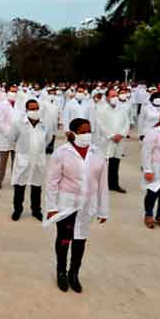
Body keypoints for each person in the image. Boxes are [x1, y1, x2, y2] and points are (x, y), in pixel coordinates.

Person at [43, 118, 109, 293]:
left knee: (80, 239)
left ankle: (74, 273)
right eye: (82, 131)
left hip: (88, 204)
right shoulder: (62, 153)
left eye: (89, 131)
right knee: (64, 238)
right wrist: (51, 207)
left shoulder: (97, 153)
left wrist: (103, 210)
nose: (86, 134)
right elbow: (52, 182)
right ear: (72, 133)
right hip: (66, 204)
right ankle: (61, 272)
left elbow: (102, 183)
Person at [9, 99, 52, 221]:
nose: (35, 111)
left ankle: (36, 210)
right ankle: (17, 210)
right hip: (23, 160)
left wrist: (38, 149)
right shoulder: (18, 123)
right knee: (19, 187)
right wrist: (20, 151)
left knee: (36, 186)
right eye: (32, 109)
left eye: (37, 108)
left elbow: (48, 139)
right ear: (26, 110)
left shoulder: (44, 124)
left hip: (38, 159)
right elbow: (11, 139)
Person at [96, 88, 130, 193]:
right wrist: (111, 135)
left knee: (115, 163)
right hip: (107, 140)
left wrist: (121, 134)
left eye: (116, 95)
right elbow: (100, 125)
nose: (115, 98)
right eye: (112, 96)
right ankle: (102, 185)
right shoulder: (101, 109)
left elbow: (126, 123)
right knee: (105, 163)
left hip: (119, 140)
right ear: (107, 97)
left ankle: (114, 184)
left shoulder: (122, 109)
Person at [0, 87, 22, 190]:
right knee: (2, 161)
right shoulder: (2, 105)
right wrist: (10, 134)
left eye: (15, 91)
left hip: (17, 138)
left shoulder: (19, 105)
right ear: (8, 92)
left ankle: (16, 181)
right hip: (5, 137)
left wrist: (17, 134)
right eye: (12, 91)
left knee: (16, 161)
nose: (13, 93)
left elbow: (22, 120)